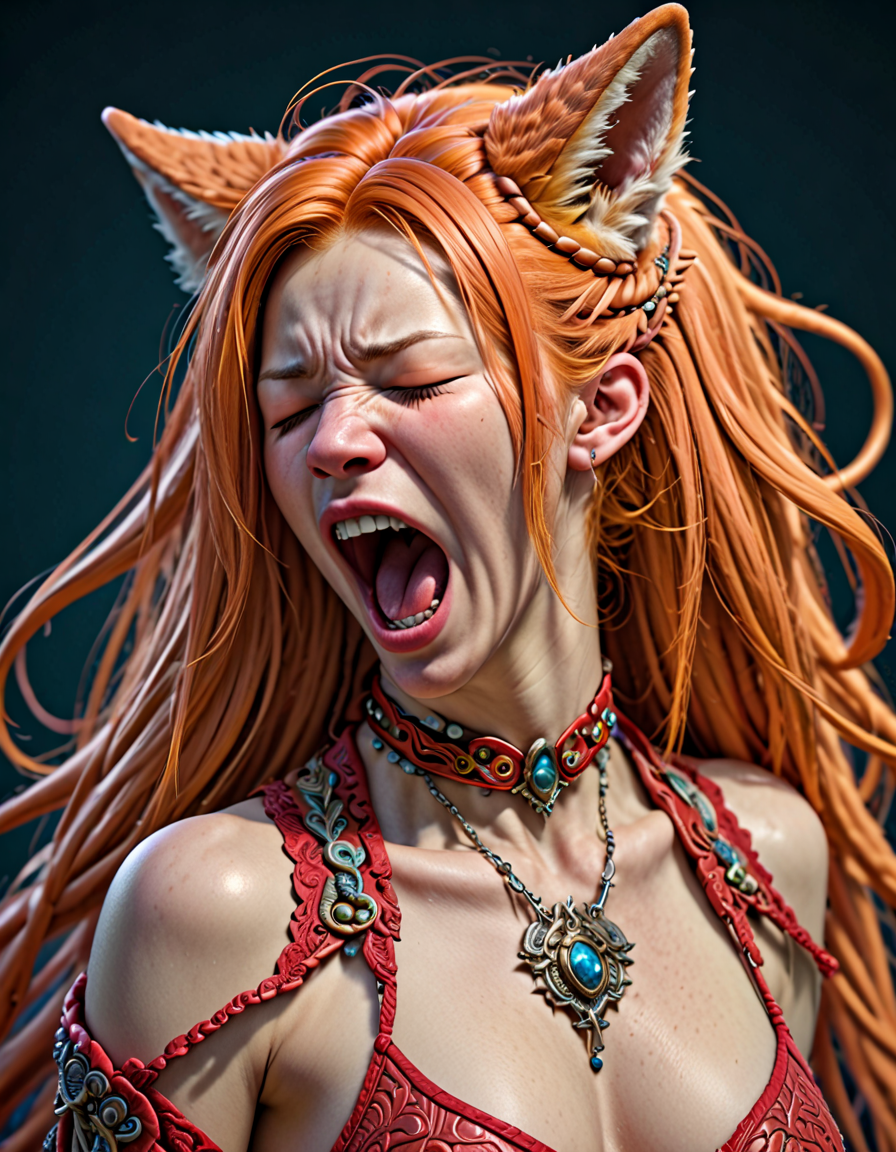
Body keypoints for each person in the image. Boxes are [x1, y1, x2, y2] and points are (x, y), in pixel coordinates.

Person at [1, 4, 895, 1149]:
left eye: (411, 380)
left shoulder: (766, 863)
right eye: (290, 406)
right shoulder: (215, 915)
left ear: (599, 408)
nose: (334, 441)